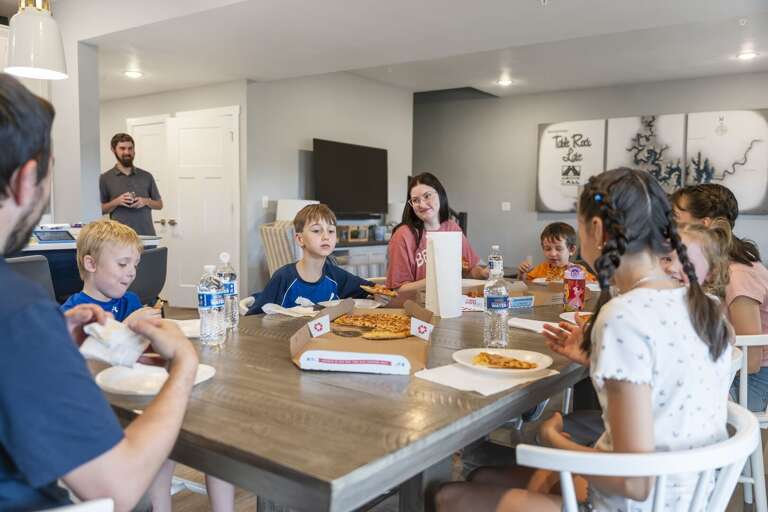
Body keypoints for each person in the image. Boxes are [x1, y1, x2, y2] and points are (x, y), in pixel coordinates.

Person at [435, 168, 732, 512]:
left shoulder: (624, 315)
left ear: (596, 230)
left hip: (640, 502)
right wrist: (596, 362)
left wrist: (552, 441)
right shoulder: (703, 303)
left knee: (449, 496)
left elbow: (633, 483)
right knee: (483, 477)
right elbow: (668, 384)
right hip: (691, 492)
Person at [0, 73, 199, 510]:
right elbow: (116, 486)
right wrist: (184, 362)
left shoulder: (26, 320)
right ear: (26, 179)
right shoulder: (16, 310)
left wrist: (50, 342)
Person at [672, 183, 768, 412]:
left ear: (703, 223)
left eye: (675, 217)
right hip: (731, 372)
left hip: (750, 382)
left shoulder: (739, 275)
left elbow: (752, 361)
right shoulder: (711, 267)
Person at [246, 204, 378, 315]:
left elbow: (372, 289)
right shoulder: (283, 277)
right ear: (300, 239)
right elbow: (254, 318)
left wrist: (380, 294)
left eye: (331, 231)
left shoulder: (336, 276)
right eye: (316, 231)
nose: (326, 236)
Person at [386, 172, 488, 291]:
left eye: (427, 196)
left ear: (440, 194)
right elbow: (397, 289)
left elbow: (469, 270)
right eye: (415, 200)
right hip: (416, 306)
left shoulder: (452, 228)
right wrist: (434, 280)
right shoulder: (403, 235)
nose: (422, 204)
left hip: (451, 301)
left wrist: (482, 273)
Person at [59, 219, 154, 321]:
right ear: (91, 264)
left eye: (135, 265)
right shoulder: (73, 313)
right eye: (123, 264)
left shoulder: (130, 301)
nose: (132, 273)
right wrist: (127, 325)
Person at [100, 133, 163, 236]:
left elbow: (159, 205)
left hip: (147, 237)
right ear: (113, 150)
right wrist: (116, 202)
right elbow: (100, 210)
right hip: (119, 239)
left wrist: (145, 201)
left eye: (130, 148)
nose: (127, 152)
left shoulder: (147, 176)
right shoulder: (105, 178)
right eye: (122, 148)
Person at [659, 219, 731, 300]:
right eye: (667, 259)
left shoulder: (708, 307)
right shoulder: (650, 294)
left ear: (710, 273)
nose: (671, 268)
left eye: (686, 262)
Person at [516, 222, 596, 282]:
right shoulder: (540, 269)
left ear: (571, 250)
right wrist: (522, 274)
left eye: (558, 249)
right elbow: (525, 286)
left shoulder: (577, 270)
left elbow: (594, 286)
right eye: (547, 249)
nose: (552, 254)